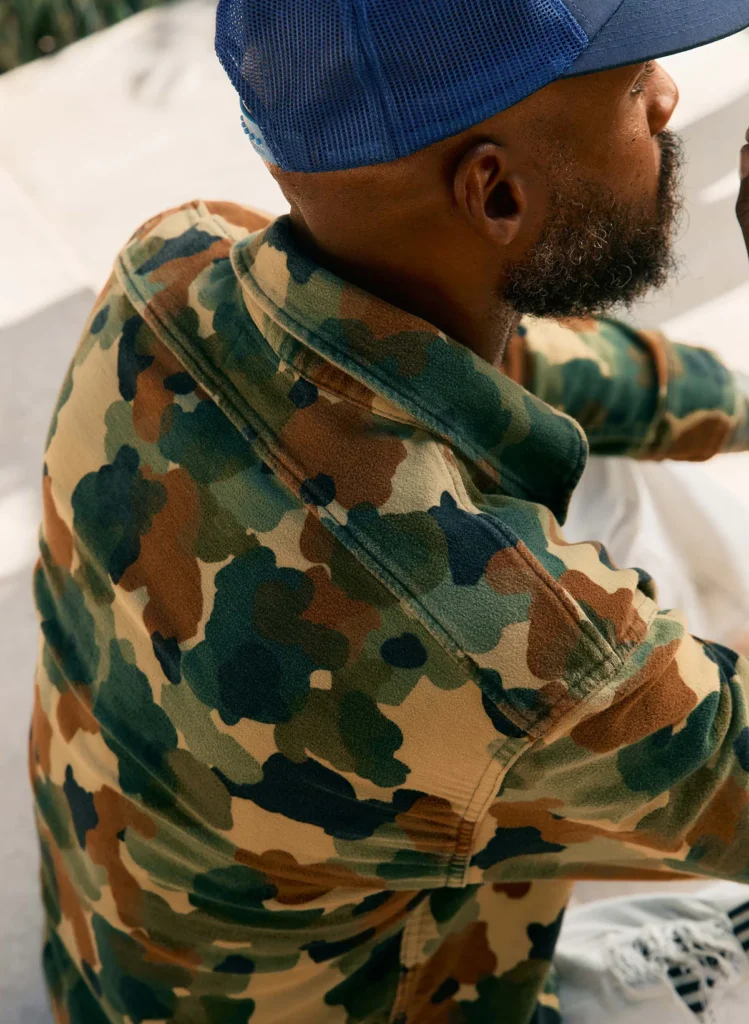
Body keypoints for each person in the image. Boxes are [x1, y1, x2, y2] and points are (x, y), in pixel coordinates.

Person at [29, 0, 749, 1021]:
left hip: (123, 973)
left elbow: (532, 371)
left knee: (602, 467)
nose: (668, 98)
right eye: (635, 90)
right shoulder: (499, 643)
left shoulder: (172, 262)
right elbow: (532, 656)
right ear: (496, 193)